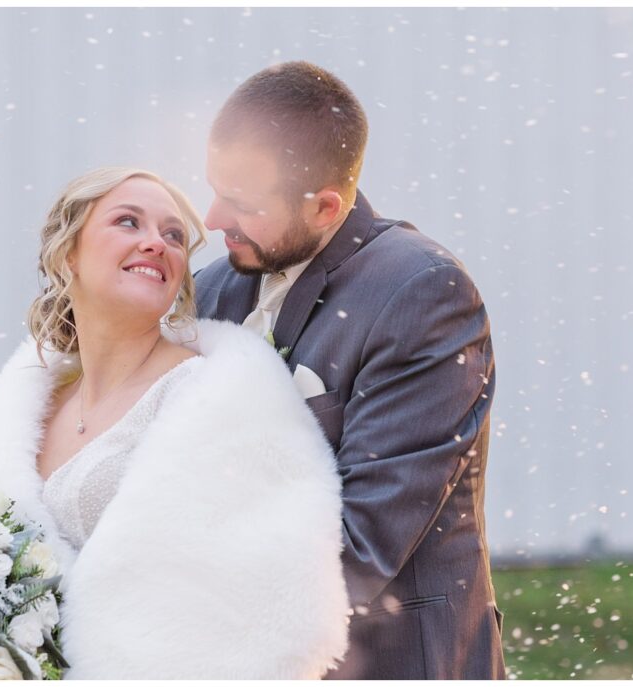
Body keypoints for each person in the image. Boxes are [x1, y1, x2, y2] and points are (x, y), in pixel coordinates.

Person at [0, 167, 349, 679]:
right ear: (67, 252)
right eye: (128, 222)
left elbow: (261, 595)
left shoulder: (215, 398)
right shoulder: (28, 408)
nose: (156, 245)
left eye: (173, 236)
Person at [195, 61, 506, 679]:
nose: (212, 220)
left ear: (326, 206)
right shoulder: (212, 290)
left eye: (242, 203)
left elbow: (360, 545)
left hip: (386, 661)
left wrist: (175, 611)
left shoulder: (422, 294)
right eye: (214, 188)